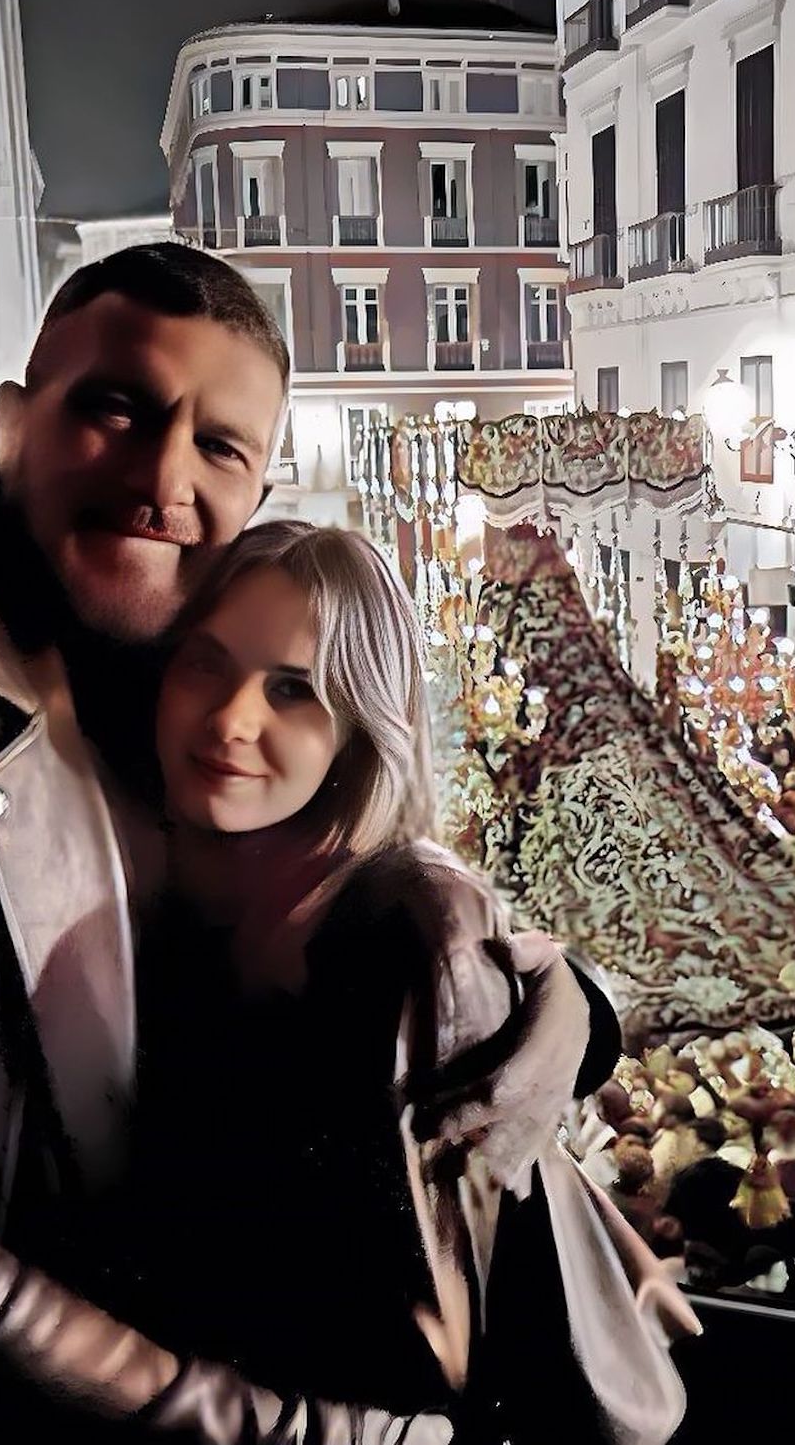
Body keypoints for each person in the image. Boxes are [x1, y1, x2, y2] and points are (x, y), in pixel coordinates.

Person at [0, 243, 496, 1444]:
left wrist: (520, 975)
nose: (164, 475)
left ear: (258, 493)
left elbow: (332, 819)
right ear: (12, 426)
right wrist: (272, 1426)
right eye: (115, 409)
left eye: (219, 446)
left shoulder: (160, 669)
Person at [122, 520, 694, 1445]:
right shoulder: (181, 895)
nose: (232, 718)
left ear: (359, 724)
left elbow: (436, 1349)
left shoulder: (401, 935)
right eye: (205, 662)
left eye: (293, 689)